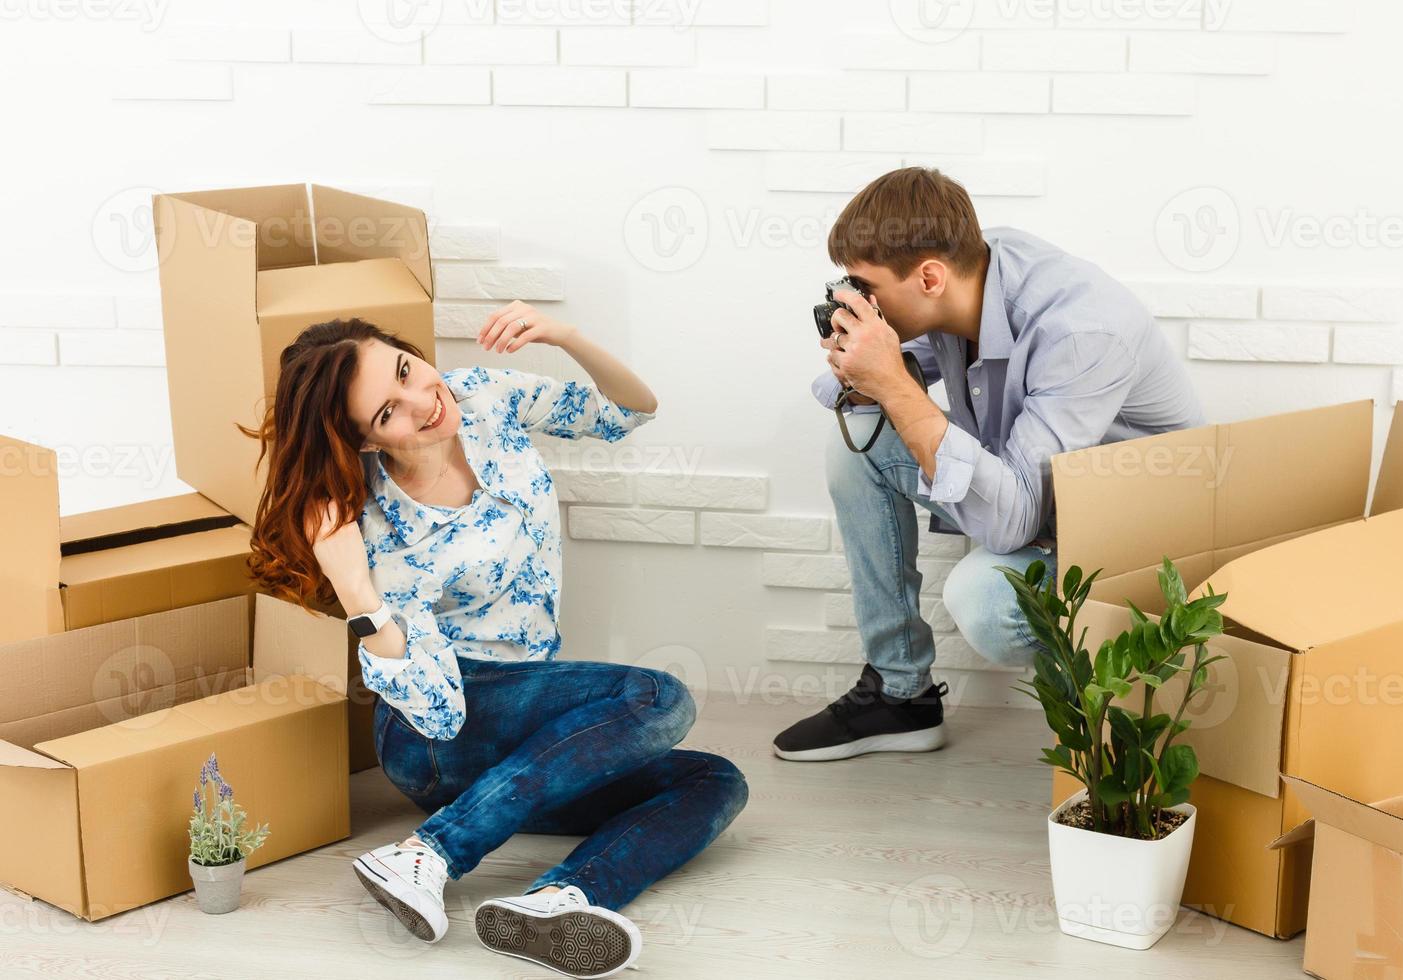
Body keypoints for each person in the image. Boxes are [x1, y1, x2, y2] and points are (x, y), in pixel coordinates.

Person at [244, 309, 748, 978]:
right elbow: (438, 713)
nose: (423, 402)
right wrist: (355, 589)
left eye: (406, 370)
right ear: (365, 442)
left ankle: (562, 899)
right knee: (656, 696)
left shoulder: (483, 396)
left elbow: (631, 411)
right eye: (388, 413)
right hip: (435, 736)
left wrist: (563, 335)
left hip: (526, 734)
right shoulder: (376, 522)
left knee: (714, 779)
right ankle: (432, 852)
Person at [773, 167, 1206, 763]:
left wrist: (893, 381)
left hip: (1135, 537)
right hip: (1040, 498)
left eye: (865, 287)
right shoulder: (969, 271)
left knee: (983, 597)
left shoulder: (1082, 331)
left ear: (929, 276)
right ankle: (902, 698)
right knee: (861, 442)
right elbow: (885, 385)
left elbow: (1010, 526)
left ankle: (1103, 731)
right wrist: (862, 369)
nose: (856, 299)